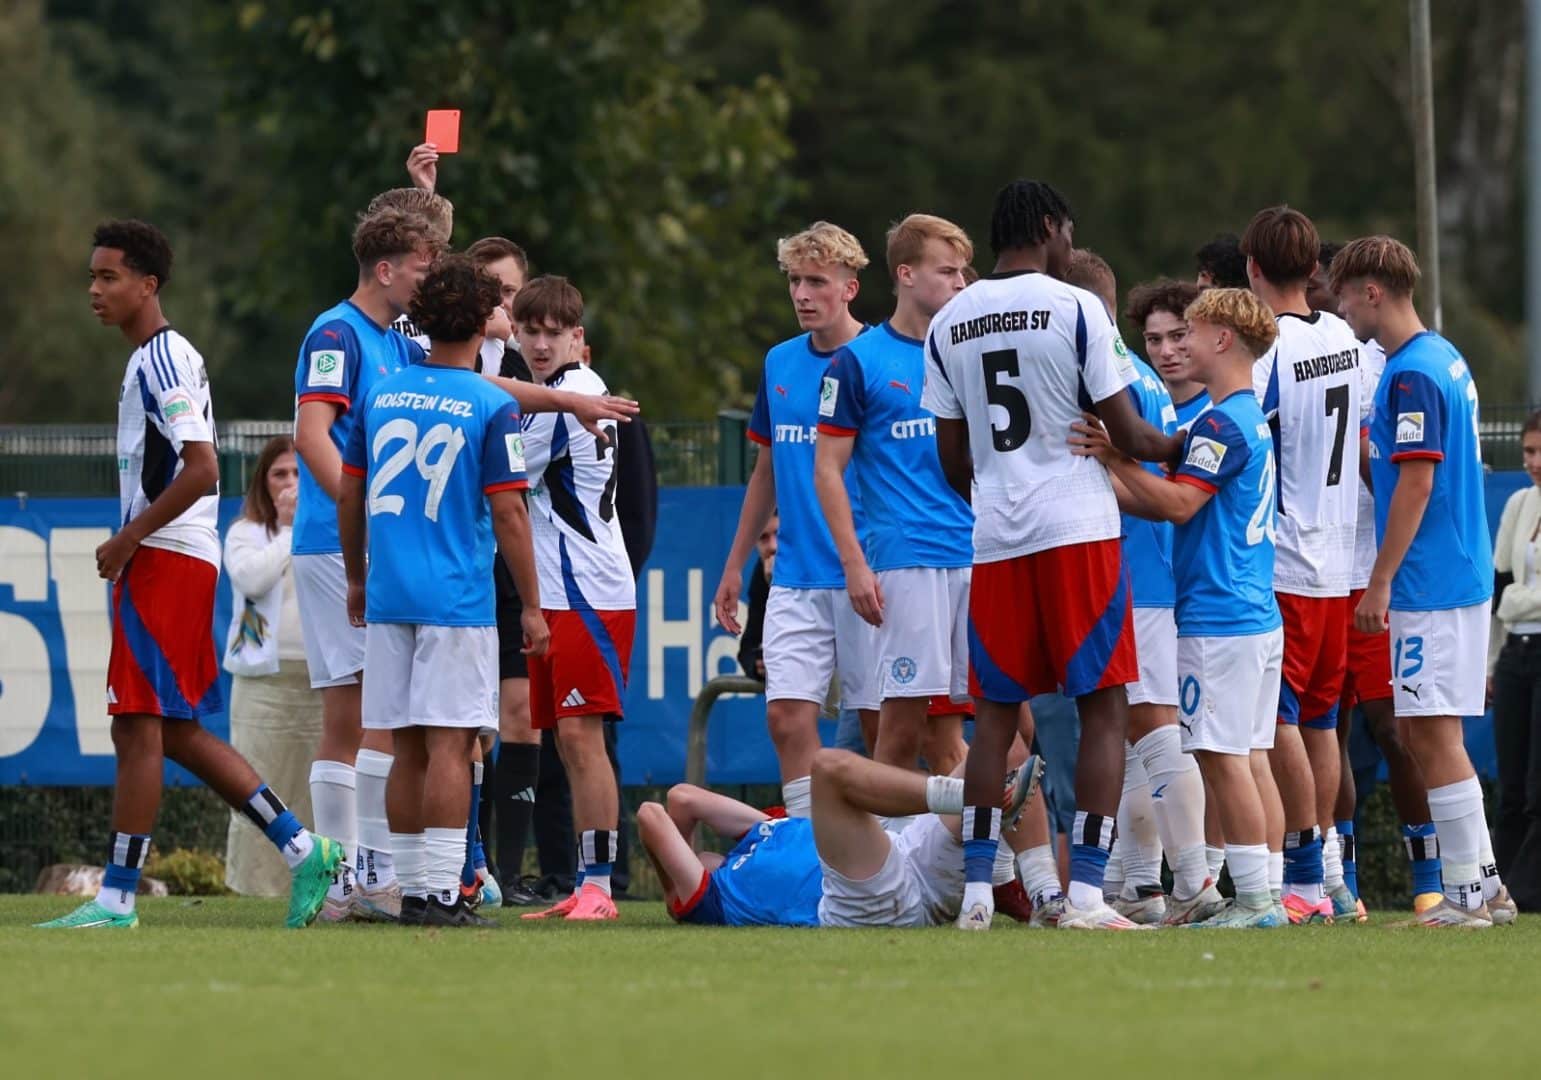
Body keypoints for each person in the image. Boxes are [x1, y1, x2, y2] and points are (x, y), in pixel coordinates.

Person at [38, 220, 340, 930]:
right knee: (169, 731)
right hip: (171, 555)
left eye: (108, 277)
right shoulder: (152, 357)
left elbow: (203, 467)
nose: (94, 290)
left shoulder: (164, 359)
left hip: (167, 556)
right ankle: (302, 848)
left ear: (148, 285)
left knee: (137, 725)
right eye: (92, 276)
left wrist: (130, 536)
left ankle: (116, 898)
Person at [922, 179, 1183, 930]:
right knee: (1104, 707)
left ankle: (977, 894)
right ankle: (1090, 896)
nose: (1071, 245)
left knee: (995, 716)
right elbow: (1130, 437)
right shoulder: (1074, 307)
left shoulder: (949, 320)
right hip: (1075, 529)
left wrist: (1000, 490)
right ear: (1047, 227)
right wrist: (1184, 445)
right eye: (1067, 231)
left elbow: (950, 456)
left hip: (995, 537)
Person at [338, 253, 548, 927]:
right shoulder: (491, 402)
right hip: (455, 597)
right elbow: (511, 513)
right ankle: (434, 893)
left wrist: (355, 574)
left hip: (392, 590)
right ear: (485, 321)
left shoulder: (385, 392)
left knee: (403, 743)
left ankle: (404, 888)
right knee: (452, 743)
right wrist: (535, 605)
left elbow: (349, 488)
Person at [1072, 287, 1288, 929]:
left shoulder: (1221, 423)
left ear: (1222, 339)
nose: (1178, 345)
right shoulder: (1238, 417)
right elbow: (1166, 492)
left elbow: (1177, 505)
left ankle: (1253, 902)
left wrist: (1112, 457)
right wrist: (1115, 470)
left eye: (1189, 332)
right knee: (1243, 757)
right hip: (1252, 611)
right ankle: (1265, 892)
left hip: (1221, 614)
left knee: (1223, 762)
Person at [1333, 234, 1516, 926]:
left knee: (1427, 735)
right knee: (1428, 733)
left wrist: (1378, 582)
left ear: (1371, 292)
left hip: (1428, 581)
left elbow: (1414, 482)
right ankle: (1487, 886)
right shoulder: (1443, 357)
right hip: (1455, 574)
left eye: (1345, 293)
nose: (1340, 306)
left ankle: (1466, 895)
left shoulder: (1408, 372)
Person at [292, 206, 439, 922]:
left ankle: (353, 876)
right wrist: (360, 511)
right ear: (386, 270)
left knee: (371, 709)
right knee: (356, 712)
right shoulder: (336, 333)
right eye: (421, 264)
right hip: (332, 543)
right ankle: (350, 876)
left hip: (369, 545)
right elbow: (311, 431)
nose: (430, 276)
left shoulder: (395, 340)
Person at [1065, 252, 1220, 926]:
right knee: (1125, 735)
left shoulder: (1103, 375)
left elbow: (1125, 472)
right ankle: (1142, 886)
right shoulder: (1133, 377)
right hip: (1133, 571)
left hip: (1131, 573)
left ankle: (1194, 882)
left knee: (1152, 727)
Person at [713, 222, 879, 819]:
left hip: (870, 573)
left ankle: (881, 862)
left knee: (878, 728)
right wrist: (734, 565)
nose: (803, 294)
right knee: (786, 717)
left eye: (817, 281)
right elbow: (766, 469)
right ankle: (813, 852)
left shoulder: (877, 358)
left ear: (850, 288)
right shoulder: (780, 360)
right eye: (794, 281)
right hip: (797, 576)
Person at [813, 213, 975, 776]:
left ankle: (984, 862)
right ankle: (883, 859)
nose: (959, 283)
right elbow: (827, 471)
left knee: (954, 735)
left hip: (974, 555)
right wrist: (855, 564)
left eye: (963, 273)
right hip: (907, 562)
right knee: (900, 725)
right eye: (946, 271)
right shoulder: (857, 361)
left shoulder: (965, 353)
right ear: (905, 274)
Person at [1244, 205, 1361, 923]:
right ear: (1314, 268)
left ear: (1251, 270)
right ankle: (1329, 878)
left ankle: (1303, 876)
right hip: (1338, 561)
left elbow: (1239, 433)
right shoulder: (1342, 335)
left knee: (1280, 720)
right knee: (1318, 721)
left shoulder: (1269, 350)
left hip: (1284, 559)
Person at [512, 276, 637, 923]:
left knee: (582, 740)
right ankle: (587, 885)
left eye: (551, 332)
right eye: (528, 330)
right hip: (564, 589)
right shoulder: (560, 396)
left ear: (577, 339)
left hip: (585, 591)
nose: (538, 343)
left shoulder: (571, 396)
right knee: (567, 740)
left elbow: (499, 472)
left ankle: (599, 886)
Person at [641, 750, 1040, 928]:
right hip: (862, 902)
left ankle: (1048, 893)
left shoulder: (759, 835)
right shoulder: (713, 901)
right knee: (828, 769)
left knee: (1001, 743)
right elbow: (652, 815)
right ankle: (971, 799)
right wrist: (672, 891)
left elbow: (683, 798)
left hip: (909, 860)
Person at [222, 435, 325, 897]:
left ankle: (322, 884)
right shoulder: (247, 532)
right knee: (260, 786)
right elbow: (250, 577)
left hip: (322, 678)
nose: (290, 483)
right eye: (280, 474)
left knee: (315, 791)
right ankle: (255, 889)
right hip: (262, 682)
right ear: (264, 482)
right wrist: (288, 527)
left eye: (299, 472)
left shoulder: (332, 528)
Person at [1487, 410, 1541, 909]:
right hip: (1515, 654)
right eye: (1528, 451)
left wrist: (1519, 599)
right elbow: (1500, 587)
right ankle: (1496, 887)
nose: (1534, 462)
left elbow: (1513, 597)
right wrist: (1488, 664)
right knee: (1510, 786)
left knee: (1538, 784)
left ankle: (1529, 890)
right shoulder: (1519, 503)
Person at [1128, 279, 1209, 428]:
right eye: (1154, 339)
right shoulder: (1135, 412)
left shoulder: (1221, 409)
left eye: (1178, 336)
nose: (1166, 352)